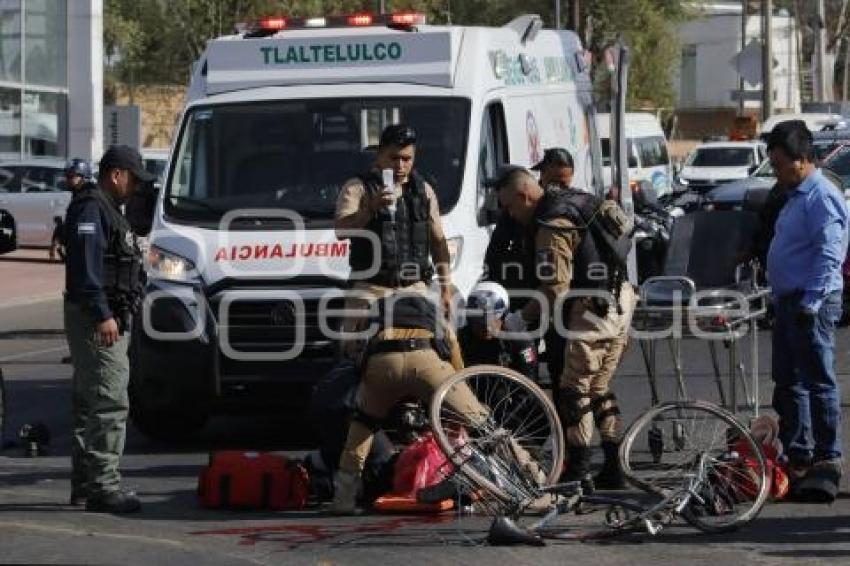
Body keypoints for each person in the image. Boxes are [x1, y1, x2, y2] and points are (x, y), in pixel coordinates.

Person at [495, 167, 636, 489]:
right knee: (599, 387)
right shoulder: (583, 200)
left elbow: (554, 289)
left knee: (574, 390)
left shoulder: (552, 224)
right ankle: (613, 466)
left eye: (510, 206)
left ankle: (579, 470)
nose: (510, 215)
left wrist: (520, 319)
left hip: (592, 310)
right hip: (621, 298)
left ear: (524, 195)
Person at [64, 145, 154, 513]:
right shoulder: (91, 208)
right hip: (97, 318)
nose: (135, 188)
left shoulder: (108, 208)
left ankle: (86, 483)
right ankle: (103, 486)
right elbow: (87, 271)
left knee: (90, 401)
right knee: (110, 399)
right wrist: (103, 315)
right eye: (133, 179)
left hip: (106, 315)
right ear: (116, 174)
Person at [330, 291, 477, 514]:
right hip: (425, 358)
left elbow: (351, 351)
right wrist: (460, 393)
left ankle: (343, 499)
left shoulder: (372, 310)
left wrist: (366, 388)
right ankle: (535, 478)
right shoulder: (431, 308)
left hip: (383, 361)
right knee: (480, 420)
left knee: (362, 427)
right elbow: (452, 348)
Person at [765, 120, 849, 502]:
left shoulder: (821, 196)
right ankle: (799, 454)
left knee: (818, 381)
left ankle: (827, 458)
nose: (776, 171)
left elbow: (831, 254)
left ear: (801, 161)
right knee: (788, 381)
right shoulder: (795, 195)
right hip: (788, 300)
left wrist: (811, 302)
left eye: (780, 164)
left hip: (810, 302)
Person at [334, 124, 454, 357]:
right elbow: (341, 230)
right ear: (379, 155)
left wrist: (446, 288)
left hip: (415, 288)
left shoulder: (424, 190)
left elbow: (438, 242)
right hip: (370, 288)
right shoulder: (358, 187)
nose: (400, 165)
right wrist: (370, 208)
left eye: (407, 159)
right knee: (350, 352)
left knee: (448, 344)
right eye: (394, 158)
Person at [50, 158, 93, 262]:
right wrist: (59, 236)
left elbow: (86, 232)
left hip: (86, 258)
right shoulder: (77, 196)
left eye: (71, 176)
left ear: (84, 177)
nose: (67, 179)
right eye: (66, 176)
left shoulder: (89, 200)